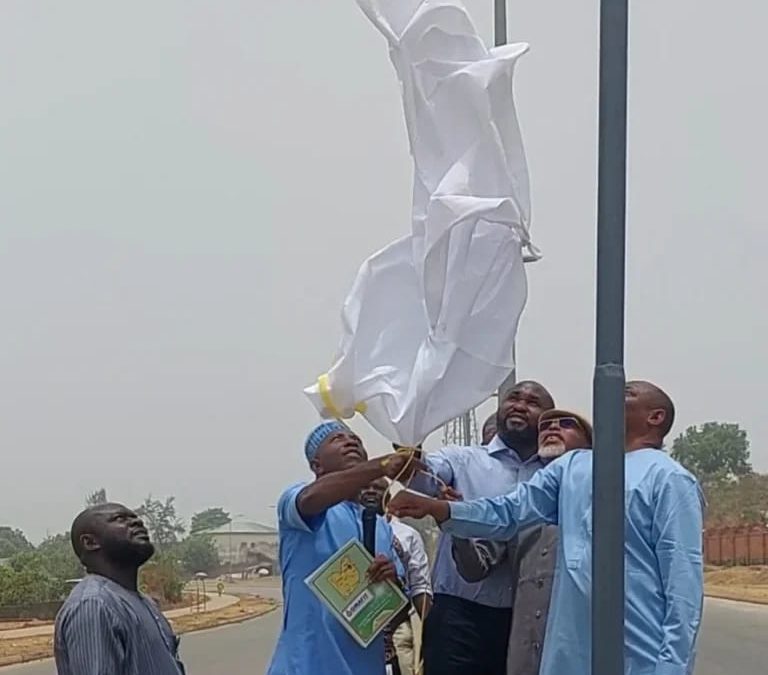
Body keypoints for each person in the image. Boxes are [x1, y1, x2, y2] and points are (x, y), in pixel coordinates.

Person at [390, 381, 705, 675]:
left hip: (639, 653)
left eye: (626, 393)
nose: (609, 395)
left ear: (655, 417)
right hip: (568, 654)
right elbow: (510, 512)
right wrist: (443, 509)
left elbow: (683, 587)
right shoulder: (573, 468)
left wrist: (672, 667)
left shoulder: (669, 479)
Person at [422, 381, 556, 675]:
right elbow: (422, 479)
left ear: (548, 419)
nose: (520, 405)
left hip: (526, 622)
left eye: (533, 403)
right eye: (513, 398)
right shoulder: (462, 459)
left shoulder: (555, 476)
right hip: (459, 619)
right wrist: (407, 446)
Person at [451, 409, 592, 675]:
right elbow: (474, 569)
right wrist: (455, 520)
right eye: (545, 425)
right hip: (527, 652)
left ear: (590, 444)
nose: (552, 428)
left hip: (583, 648)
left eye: (566, 424)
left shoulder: (607, 496)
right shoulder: (520, 505)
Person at [267, 420, 411, 675]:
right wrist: (378, 466)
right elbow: (310, 499)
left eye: (356, 439)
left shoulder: (382, 526)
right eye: (337, 439)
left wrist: (390, 582)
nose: (351, 441)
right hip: (305, 667)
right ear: (317, 465)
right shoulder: (299, 503)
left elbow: (397, 614)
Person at [54, 503, 185, 675]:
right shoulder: (94, 605)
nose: (138, 522)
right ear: (90, 542)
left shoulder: (144, 602)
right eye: (120, 519)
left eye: (135, 517)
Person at [363, 478, 433, 675]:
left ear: (388, 498)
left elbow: (420, 586)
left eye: (377, 488)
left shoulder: (407, 535)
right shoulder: (344, 528)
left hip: (396, 627)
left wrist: (432, 636)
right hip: (354, 625)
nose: (370, 491)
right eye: (366, 487)